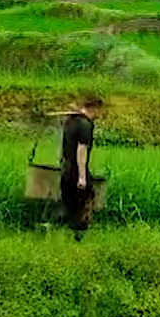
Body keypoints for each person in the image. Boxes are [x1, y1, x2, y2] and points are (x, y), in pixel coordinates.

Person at [60, 97, 103, 237]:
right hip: (75, 171)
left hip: (65, 170)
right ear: (94, 108)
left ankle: (69, 237)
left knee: (70, 206)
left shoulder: (70, 122)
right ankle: (78, 238)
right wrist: (82, 177)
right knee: (84, 202)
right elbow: (81, 150)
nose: (99, 115)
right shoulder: (85, 125)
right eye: (99, 111)